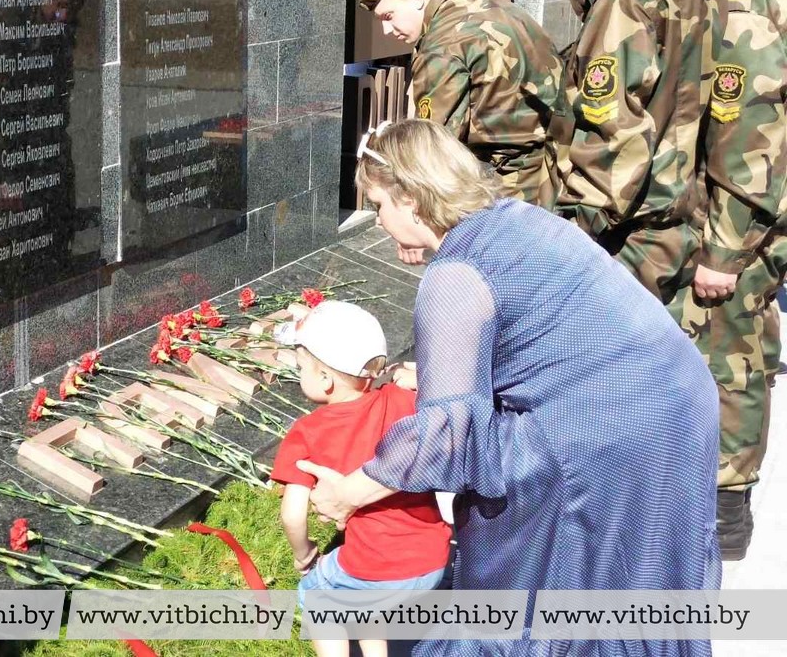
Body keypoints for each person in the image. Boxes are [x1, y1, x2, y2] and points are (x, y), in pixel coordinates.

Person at [299, 120, 719, 656]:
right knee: (641, 582)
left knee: (541, 587)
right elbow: (554, 336)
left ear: (411, 197)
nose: (378, 220)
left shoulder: (454, 274)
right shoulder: (520, 220)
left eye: (378, 203)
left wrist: (351, 491)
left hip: (607, 437)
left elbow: (446, 439)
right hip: (678, 402)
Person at [512, 0, 728, 305]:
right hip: (679, 224)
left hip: (626, 242)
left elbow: (611, 138)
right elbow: (618, 1)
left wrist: (560, 242)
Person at [678, 0, 787, 560]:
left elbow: (750, 139)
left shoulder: (751, 2)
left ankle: (724, 511)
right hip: (763, 221)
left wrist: (722, 249)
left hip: (741, 227)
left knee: (731, 353)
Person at [270, 299, 450, 657]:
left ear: (324, 379)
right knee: (367, 600)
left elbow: (292, 515)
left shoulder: (307, 433)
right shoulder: (402, 399)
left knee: (319, 594)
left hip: (377, 565)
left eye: (301, 365)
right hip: (433, 561)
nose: (298, 371)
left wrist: (304, 555)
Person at [357, 0, 565, 214]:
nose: (387, 30)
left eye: (388, 16)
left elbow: (433, 148)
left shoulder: (441, 48)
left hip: (519, 179)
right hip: (560, 157)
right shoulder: (489, 6)